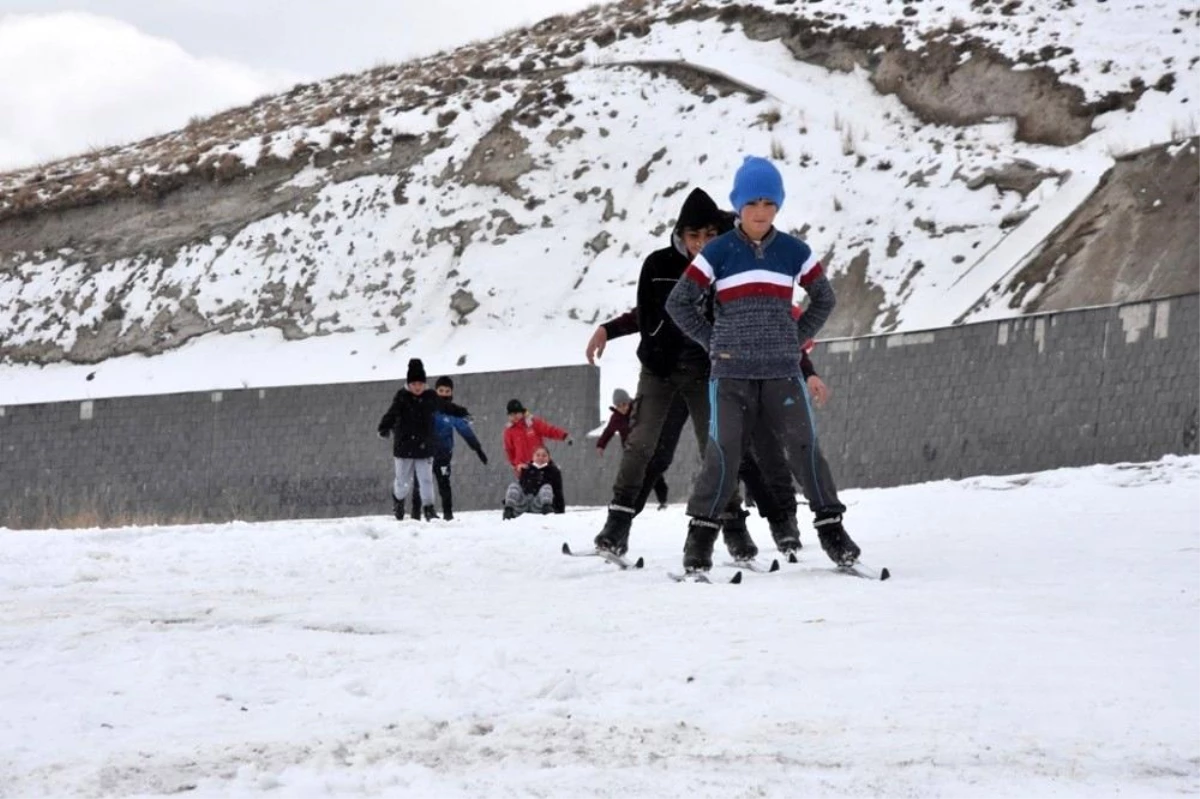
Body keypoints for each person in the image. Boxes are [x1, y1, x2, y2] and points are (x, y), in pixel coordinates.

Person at [666, 156, 861, 572]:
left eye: (769, 203)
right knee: (725, 453)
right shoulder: (718, 252)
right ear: (738, 205)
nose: (760, 211)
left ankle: (832, 531)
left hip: (781, 374)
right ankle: (699, 539)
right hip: (731, 375)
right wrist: (713, 341)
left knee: (805, 449)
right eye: (752, 202)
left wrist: (793, 340)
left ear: (778, 206)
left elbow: (824, 298)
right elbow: (678, 302)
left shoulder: (794, 252)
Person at [589, 188, 758, 561]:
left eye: (709, 235)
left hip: (707, 374)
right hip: (660, 372)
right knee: (640, 444)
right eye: (692, 236)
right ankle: (617, 524)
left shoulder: (731, 266)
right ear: (680, 235)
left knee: (716, 449)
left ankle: (734, 527)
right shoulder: (657, 265)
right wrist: (609, 330)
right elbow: (644, 315)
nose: (700, 244)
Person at [410, 375, 488, 521]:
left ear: (451, 393)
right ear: (435, 391)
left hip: (443, 456)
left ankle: (448, 515)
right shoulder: (427, 408)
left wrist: (477, 449)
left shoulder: (453, 413)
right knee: (419, 484)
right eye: (441, 390)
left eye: (447, 391)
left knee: (444, 484)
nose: (444, 394)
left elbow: (465, 430)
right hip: (424, 454)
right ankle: (415, 515)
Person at [377, 358, 443, 522]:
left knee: (426, 480)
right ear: (408, 384)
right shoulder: (402, 396)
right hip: (404, 448)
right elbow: (392, 413)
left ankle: (428, 508)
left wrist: (460, 413)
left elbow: (446, 407)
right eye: (414, 384)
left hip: (425, 446)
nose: (417, 387)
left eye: (420, 383)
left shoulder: (430, 396)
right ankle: (398, 500)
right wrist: (384, 427)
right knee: (402, 482)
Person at [596, 388, 668, 510]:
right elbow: (608, 432)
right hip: (630, 450)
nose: (622, 408)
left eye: (624, 404)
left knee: (654, 473)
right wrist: (601, 445)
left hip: (646, 446)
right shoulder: (616, 418)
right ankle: (630, 501)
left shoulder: (638, 410)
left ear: (628, 402)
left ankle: (663, 500)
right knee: (631, 474)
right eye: (619, 406)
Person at [503, 399, 571, 475]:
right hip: (524, 467)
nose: (514, 416)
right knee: (530, 485)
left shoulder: (532, 423)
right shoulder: (509, 431)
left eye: (516, 413)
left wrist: (563, 435)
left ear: (521, 412)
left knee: (551, 479)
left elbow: (548, 430)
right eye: (511, 415)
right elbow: (509, 450)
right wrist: (516, 465)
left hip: (540, 462)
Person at [502, 446, 566, 519]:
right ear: (533, 457)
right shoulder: (526, 469)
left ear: (549, 458)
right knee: (513, 486)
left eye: (544, 455)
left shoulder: (554, 471)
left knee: (546, 487)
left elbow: (558, 492)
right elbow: (520, 488)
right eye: (538, 455)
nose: (540, 458)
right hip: (523, 505)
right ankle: (508, 510)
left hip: (539, 506)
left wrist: (560, 512)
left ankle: (548, 511)